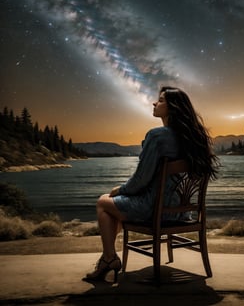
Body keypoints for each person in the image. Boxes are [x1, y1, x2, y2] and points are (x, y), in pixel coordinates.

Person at [85, 86, 218, 282]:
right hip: (181, 213)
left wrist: (120, 190)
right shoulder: (195, 138)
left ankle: (109, 258)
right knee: (115, 209)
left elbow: (141, 179)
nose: (155, 103)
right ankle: (108, 257)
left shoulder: (158, 136)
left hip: (155, 210)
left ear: (173, 108)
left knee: (103, 202)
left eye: (161, 100)